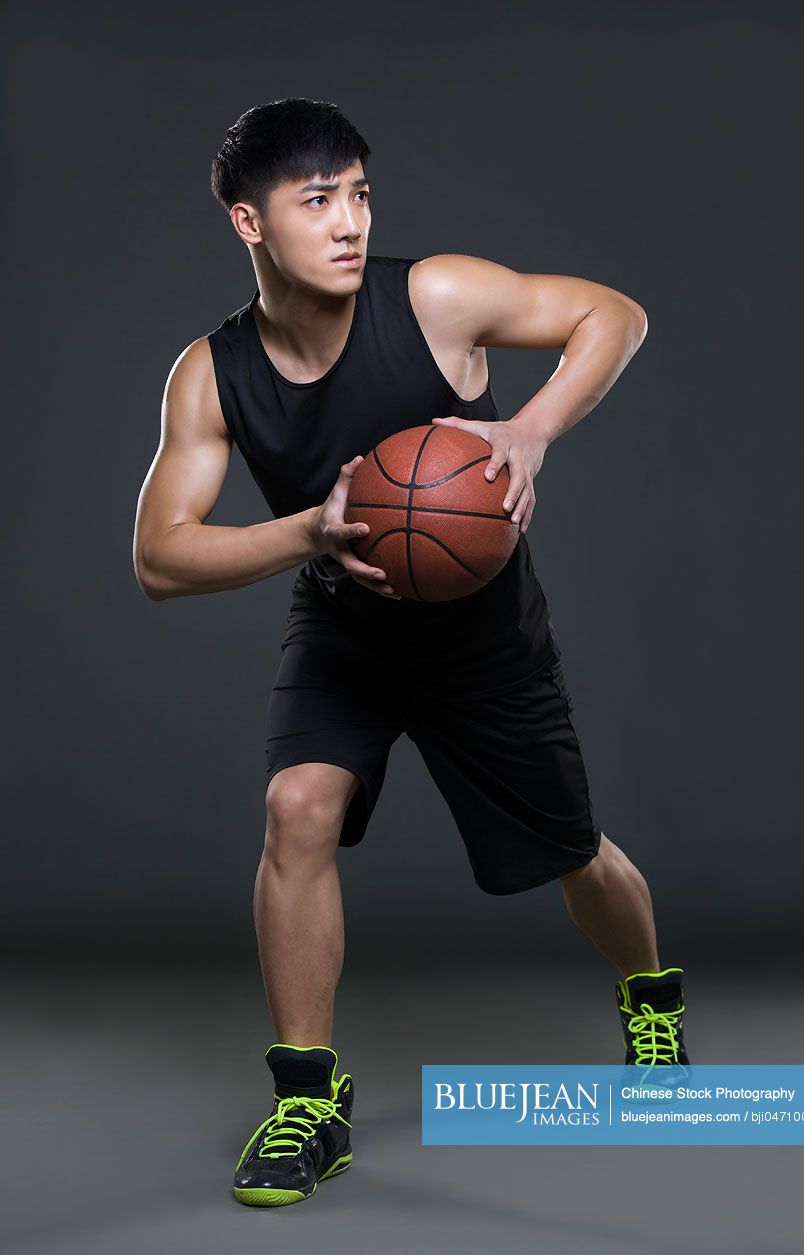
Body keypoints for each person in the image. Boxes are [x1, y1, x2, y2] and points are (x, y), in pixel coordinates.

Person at [132, 96, 690, 1209]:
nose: (349, 221)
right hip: (345, 624)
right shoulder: (212, 374)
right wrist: (308, 532)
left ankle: (653, 1002)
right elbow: (159, 556)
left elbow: (614, 315)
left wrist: (528, 430)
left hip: (485, 641)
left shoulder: (433, 297)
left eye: (361, 192)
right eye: (317, 200)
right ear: (250, 223)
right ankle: (309, 1098)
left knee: (574, 850)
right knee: (296, 808)